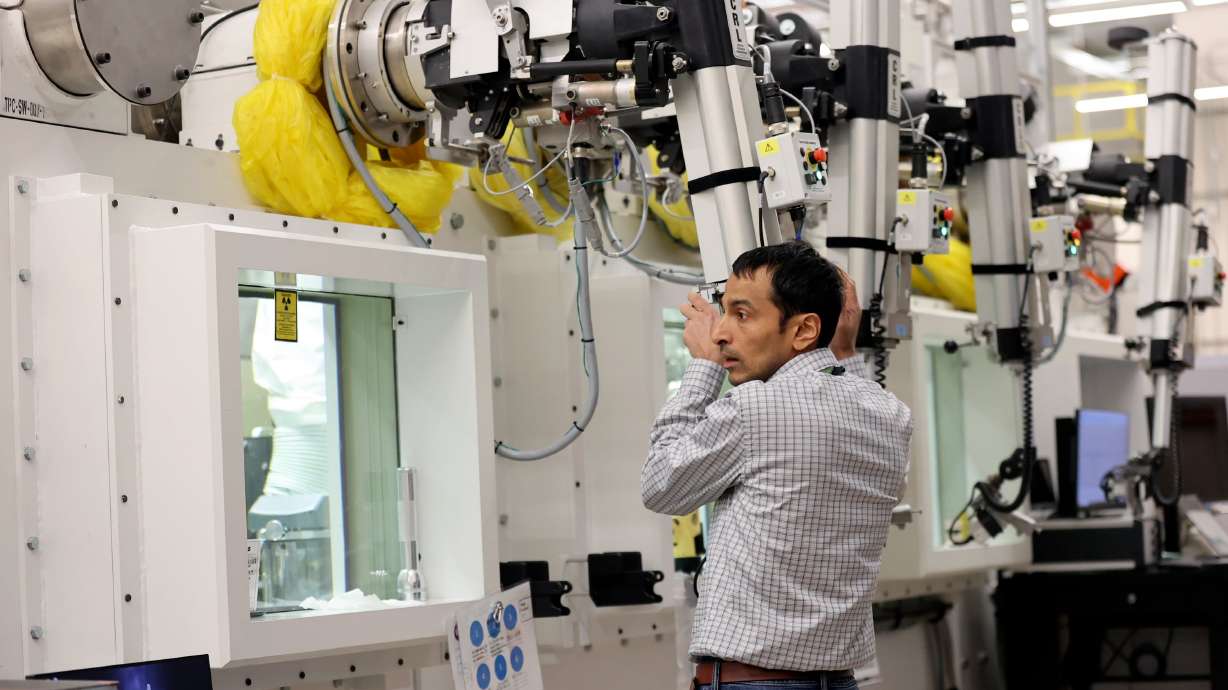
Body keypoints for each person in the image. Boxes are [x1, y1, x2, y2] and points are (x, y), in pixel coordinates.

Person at [641, 241, 912, 690]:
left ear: (803, 330)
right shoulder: (890, 414)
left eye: (742, 315)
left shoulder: (753, 408)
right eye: (723, 311)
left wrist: (704, 369)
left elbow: (661, 485)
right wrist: (840, 348)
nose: (721, 333)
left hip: (752, 682)